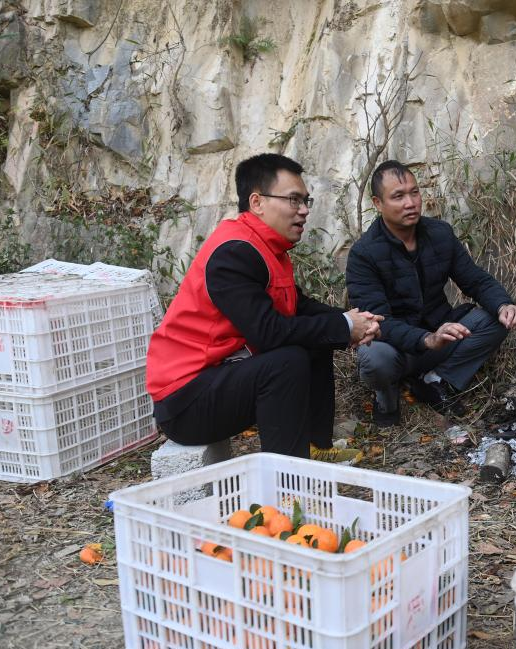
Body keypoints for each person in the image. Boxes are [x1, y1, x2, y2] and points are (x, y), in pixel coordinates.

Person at [146, 153, 383, 458]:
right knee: (287, 361)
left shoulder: (266, 247)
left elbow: (298, 306)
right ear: (256, 202)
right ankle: (288, 484)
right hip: (185, 401)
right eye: (294, 200)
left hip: (220, 377)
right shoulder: (233, 252)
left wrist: (352, 320)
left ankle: (315, 450)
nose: (304, 211)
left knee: (313, 343)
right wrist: (346, 327)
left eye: (306, 201)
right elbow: (268, 334)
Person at [346, 160, 516, 426]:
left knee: (495, 319)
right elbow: (375, 322)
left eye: (414, 192)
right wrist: (426, 339)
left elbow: (475, 280)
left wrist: (504, 306)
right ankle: (386, 394)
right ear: (377, 203)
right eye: (398, 196)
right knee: (373, 355)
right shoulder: (364, 254)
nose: (410, 202)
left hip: (440, 339)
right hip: (399, 348)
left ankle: (435, 380)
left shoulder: (439, 233)